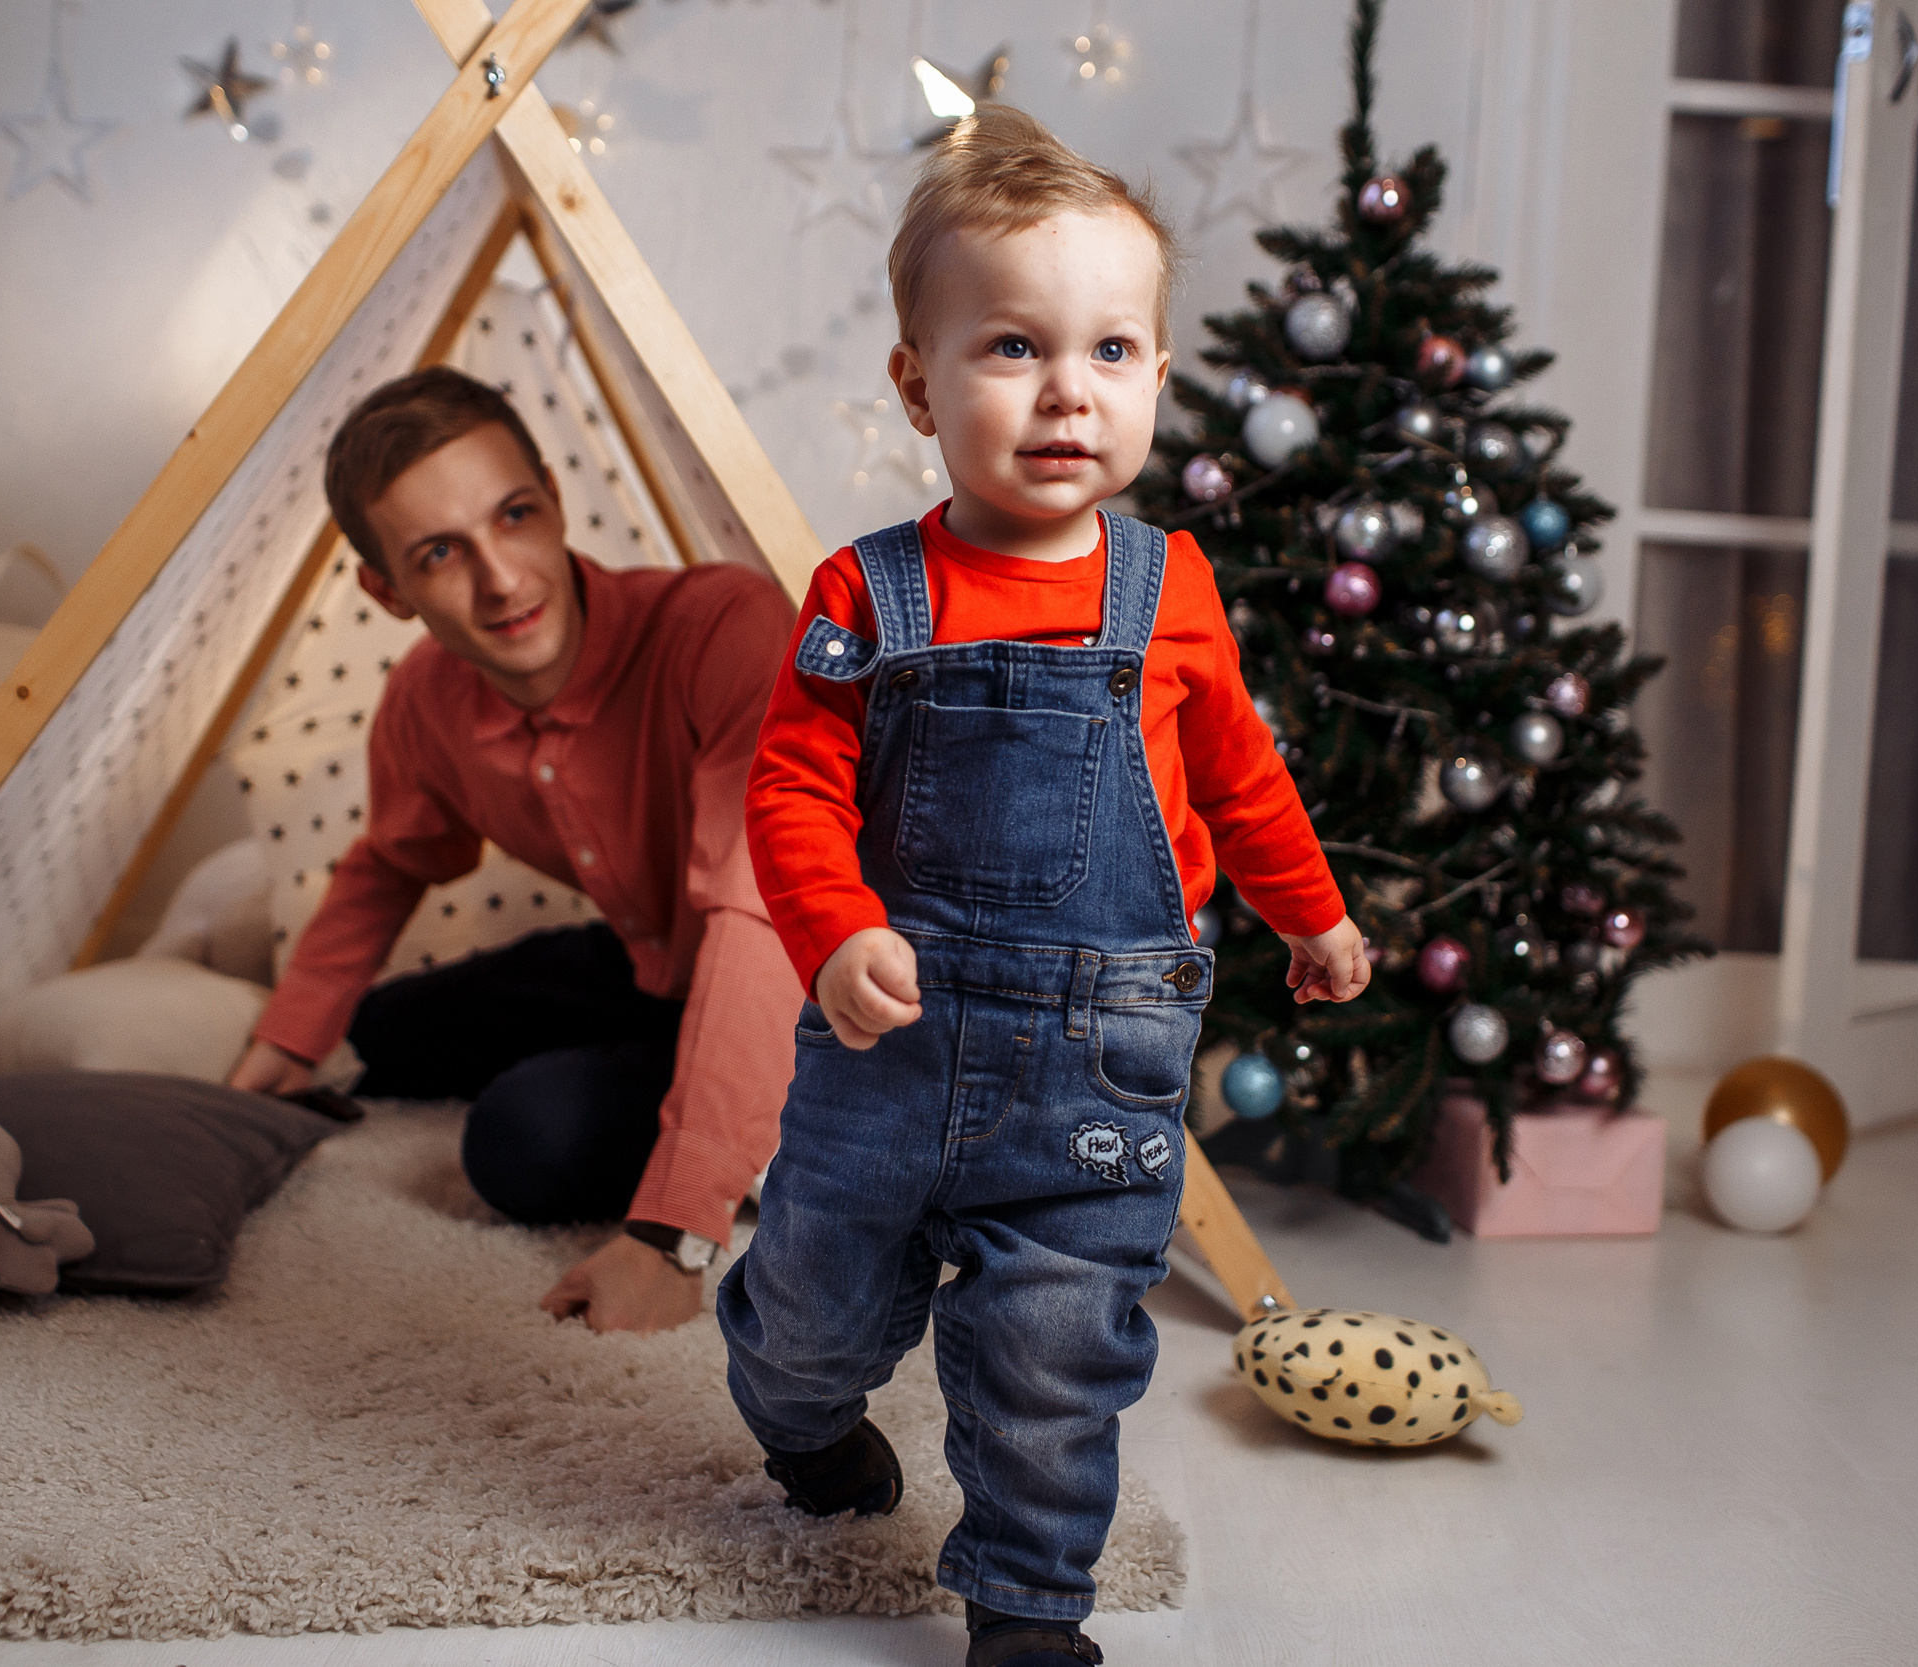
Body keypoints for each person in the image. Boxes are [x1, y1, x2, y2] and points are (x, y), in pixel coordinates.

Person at [720, 107, 1370, 1667]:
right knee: (809, 1307)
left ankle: (1027, 1606)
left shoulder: (1174, 592)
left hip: (1097, 1063)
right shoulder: (866, 590)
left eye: (1113, 350)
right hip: (891, 1045)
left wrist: (1314, 911)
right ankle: (802, 1422)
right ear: (918, 384)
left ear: (1155, 374)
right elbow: (793, 787)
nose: (1068, 390)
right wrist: (835, 926)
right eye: (1012, 346)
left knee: (1053, 1352)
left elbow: (1241, 777)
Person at [228, 365, 799, 1335]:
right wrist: (280, 1046)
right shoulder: (425, 699)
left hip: (803, 982)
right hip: (647, 959)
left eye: (516, 515)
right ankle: (667, 1071)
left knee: (518, 1142)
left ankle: (765, 1130)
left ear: (556, 497)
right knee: (380, 1031)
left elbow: (760, 925)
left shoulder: (725, 630)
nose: (500, 580)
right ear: (387, 588)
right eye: (442, 552)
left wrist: (674, 1237)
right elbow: (391, 862)